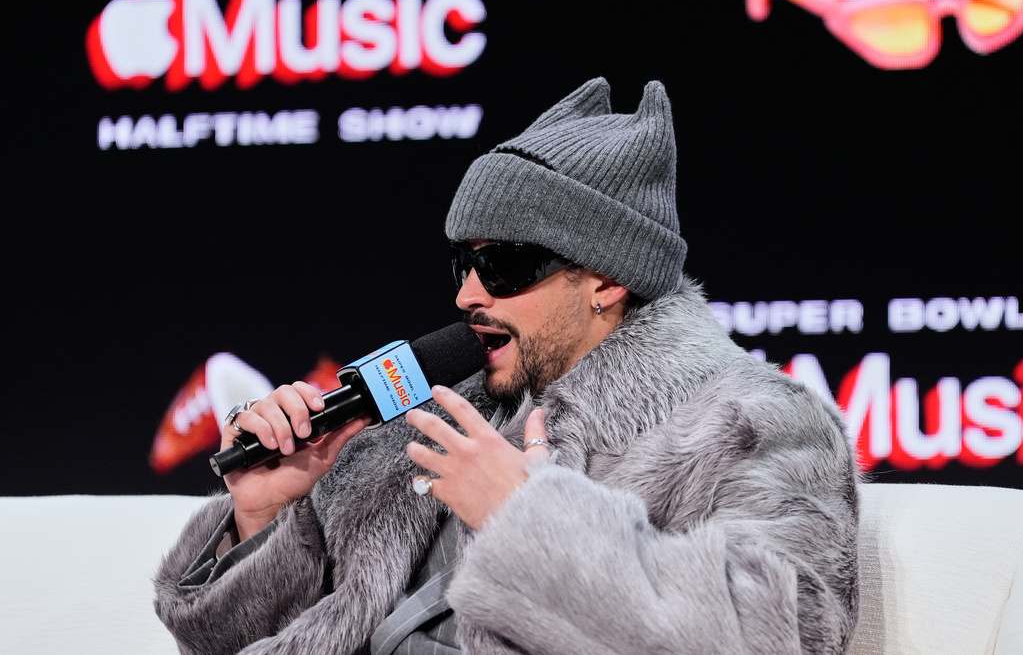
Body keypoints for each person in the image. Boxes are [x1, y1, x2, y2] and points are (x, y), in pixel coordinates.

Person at [155, 77, 860, 654]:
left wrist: (528, 520)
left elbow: (784, 635)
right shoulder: (426, 412)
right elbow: (219, 639)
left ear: (606, 278)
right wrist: (265, 517)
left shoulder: (749, 420)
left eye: (502, 264)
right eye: (464, 261)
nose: (467, 294)